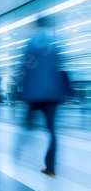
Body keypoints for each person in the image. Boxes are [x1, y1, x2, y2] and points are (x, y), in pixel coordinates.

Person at [18, 15, 72, 177]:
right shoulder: (56, 43)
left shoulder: (30, 43)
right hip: (53, 95)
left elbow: (24, 69)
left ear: (36, 25)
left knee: (27, 124)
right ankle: (51, 168)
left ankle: (18, 154)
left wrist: (20, 91)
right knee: (52, 131)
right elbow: (61, 68)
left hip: (34, 95)